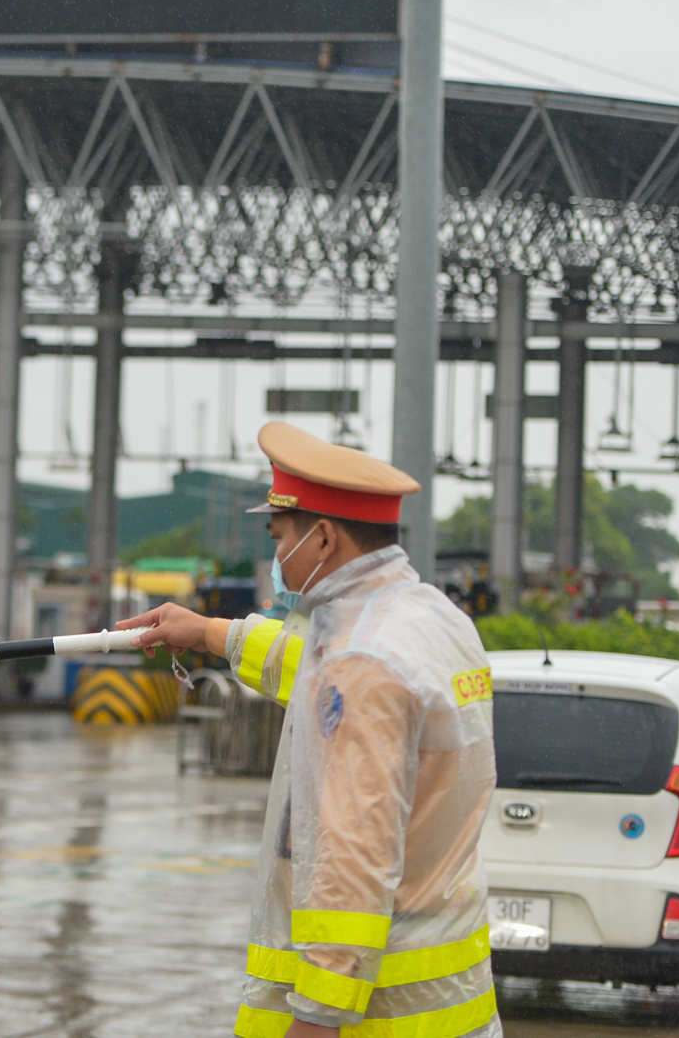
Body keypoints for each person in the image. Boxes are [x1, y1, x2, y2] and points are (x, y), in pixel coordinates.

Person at [119, 422, 500, 1038]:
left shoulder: (360, 662)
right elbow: (307, 663)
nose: (274, 553)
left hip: (372, 1019)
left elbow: (354, 852)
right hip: (448, 1004)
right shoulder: (432, 622)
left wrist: (317, 1018)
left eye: (278, 534)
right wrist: (209, 633)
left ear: (322, 537)